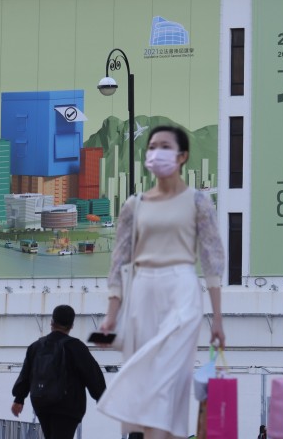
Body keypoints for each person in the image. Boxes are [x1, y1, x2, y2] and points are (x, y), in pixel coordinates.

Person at [95, 124, 225, 439]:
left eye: (164, 146)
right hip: (142, 291)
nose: (156, 152)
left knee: (169, 376)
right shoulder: (134, 205)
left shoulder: (198, 201)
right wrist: (112, 314)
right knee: (145, 379)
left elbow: (211, 259)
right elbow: (119, 260)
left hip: (181, 287)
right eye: (152, 146)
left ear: (182, 156)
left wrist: (218, 319)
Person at [11, 305, 106, 439]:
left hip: (41, 403)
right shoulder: (76, 347)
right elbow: (92, 374)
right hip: (67, 406)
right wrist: (101, 397)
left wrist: (19, 399)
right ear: (71, 325)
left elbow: (26, 374)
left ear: (52, 322)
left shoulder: (36, 346)